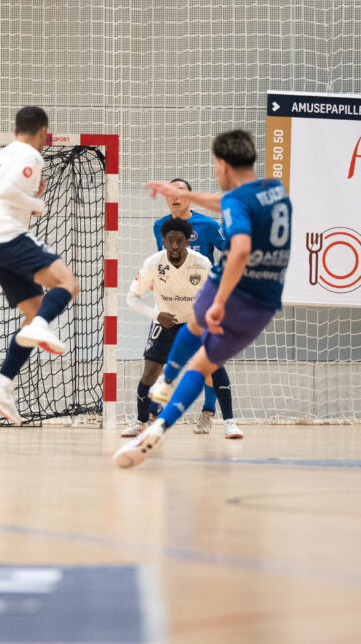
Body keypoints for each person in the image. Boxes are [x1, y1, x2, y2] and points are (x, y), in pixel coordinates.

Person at [114, 129, 292, 468]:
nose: (215, 172)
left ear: (223, 164)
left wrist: (221, 301)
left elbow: (239, 247)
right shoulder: (274, 190)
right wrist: (187, 197)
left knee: (196, 324)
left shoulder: (236, 204)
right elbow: (231, 202)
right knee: (203, 364)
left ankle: (165, 387)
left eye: (215, 166)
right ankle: (158, 425)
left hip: (230, 287)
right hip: (265, 301)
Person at [0, 106, 81, 425]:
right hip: (8, 237)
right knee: (68, 284)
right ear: (42, 133)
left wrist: (29, 205)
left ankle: (2, 383)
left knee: (35, 314)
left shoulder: (1, 155)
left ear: (15, 128)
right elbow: (8, 192)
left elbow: (2, 195)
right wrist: (38, 203)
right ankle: (41, 326)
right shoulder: (31, 156)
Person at [153, 178, 239, 437]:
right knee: (160, 362)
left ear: (190, 197)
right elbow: (162, 260)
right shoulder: (160, 226)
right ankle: (147, 417)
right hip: (174, 305)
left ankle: (209, 412)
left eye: (181, 191)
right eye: (170, 193)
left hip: (204, 304)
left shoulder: (208, 225)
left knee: (209, 361)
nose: (175, 197)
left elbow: (231, 250)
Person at [121, 218, 211, 437]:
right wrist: (156, 315)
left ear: (188, 242)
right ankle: (142, 422)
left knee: (213, 372)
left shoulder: (202, 264)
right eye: (170, 241)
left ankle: (223, 419)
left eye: (180, 241)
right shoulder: (153, 263)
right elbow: (131, 298)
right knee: (149, 375)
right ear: (163, 241)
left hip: (193, 325)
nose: (174, 246)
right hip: (164, 323)